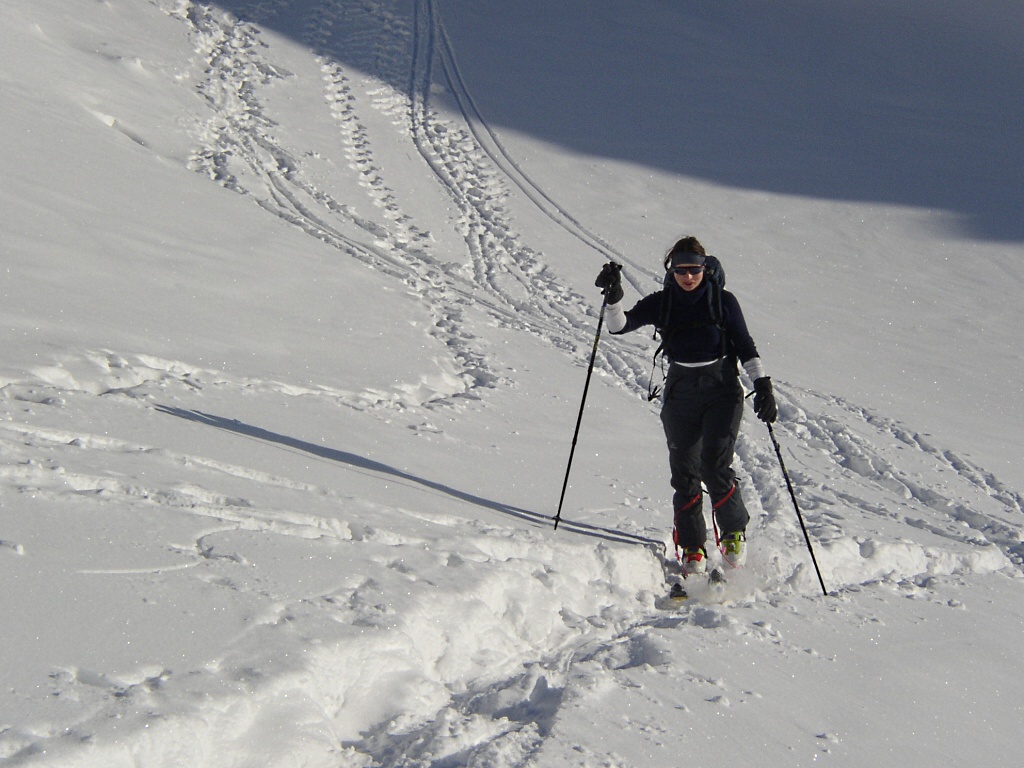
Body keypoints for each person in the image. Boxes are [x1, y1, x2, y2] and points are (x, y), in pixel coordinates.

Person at [595, 236, 777, 575]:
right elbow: (620, 327)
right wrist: (614, 298)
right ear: (672, 270)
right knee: (684, 471)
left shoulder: (723, 301)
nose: (688, 276)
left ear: (705, 268)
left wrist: (762, 385)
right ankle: (692, 547)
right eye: (681, 270)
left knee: (715, 464)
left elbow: (745, 344)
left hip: (722, 389)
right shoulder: (663, 303)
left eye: (694, 269)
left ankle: (733, 532)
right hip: (681, 393)